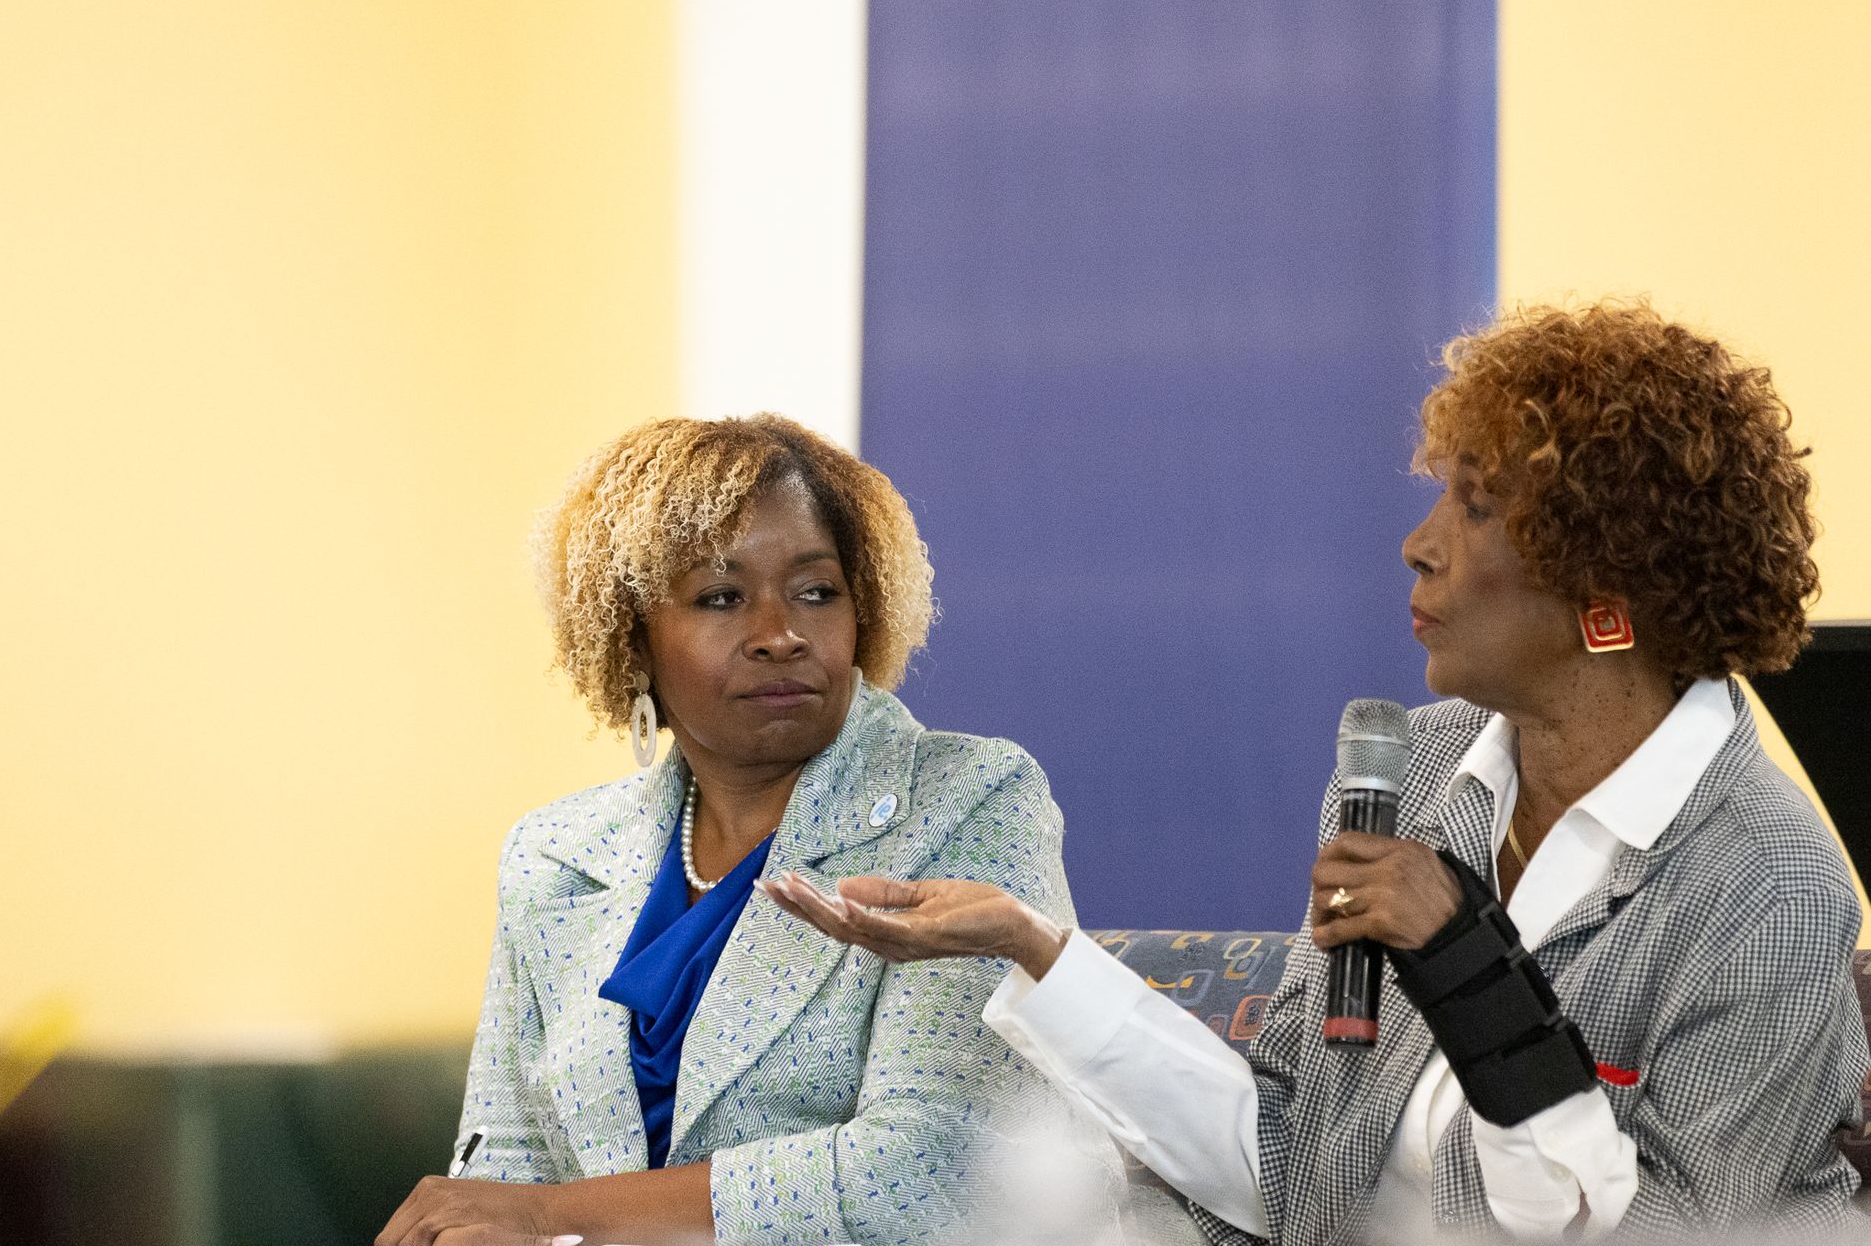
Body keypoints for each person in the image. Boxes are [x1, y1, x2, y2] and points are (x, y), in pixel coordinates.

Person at [767, 303, 1870, 1242]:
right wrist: (1033, 941)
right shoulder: (1425, 770)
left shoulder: (1765, 886)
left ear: (1608, 588)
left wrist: (1469, 969)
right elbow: (1293, 1160)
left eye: (1477, 505)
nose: (1420, 541)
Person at [377, 414, 1078, 1246]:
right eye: (721, 598)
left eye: (817, 592)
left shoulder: (968, 799)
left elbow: (930, 1174)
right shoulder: (555, 855)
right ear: (631, 639)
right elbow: (506, 1161)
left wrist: (548, 1218)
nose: (780, 635)